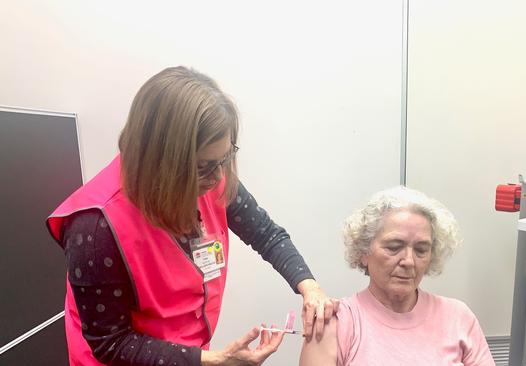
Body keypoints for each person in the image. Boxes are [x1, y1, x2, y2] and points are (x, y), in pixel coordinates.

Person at [46, 66, 338, 366]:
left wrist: (309, 287)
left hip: (186, 353)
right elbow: (111, 343)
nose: (218, 176)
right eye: (203, 166)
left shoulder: (213, 177)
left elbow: (266, 234)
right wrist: (210, 361)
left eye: (225, 159)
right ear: (159, 160)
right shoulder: (95, 228)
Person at [299, 186, 495, 366]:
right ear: (364, 251)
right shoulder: (334, 324)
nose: (409, 260)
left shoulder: (458, 317)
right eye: (394, 247)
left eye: (421, 250)